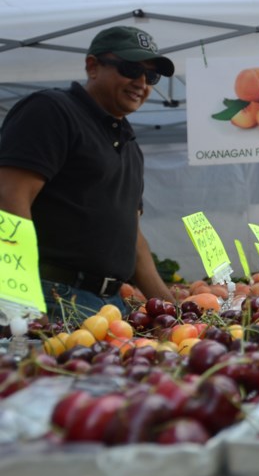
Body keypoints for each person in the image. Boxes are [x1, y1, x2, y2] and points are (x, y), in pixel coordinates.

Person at [0, 26, 176, 319]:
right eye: (131, 68)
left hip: (110, 304)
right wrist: (21, 295)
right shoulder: (52, 111)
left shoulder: (130, 143)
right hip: (56, 296)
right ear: (93, 66)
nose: (141, 83)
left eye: (151, 76)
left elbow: (134, 240)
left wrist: (172, 309)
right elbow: (8, 198)